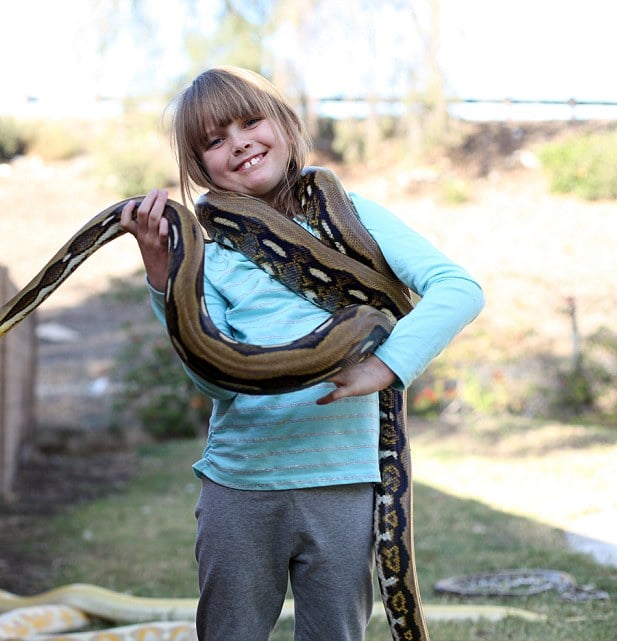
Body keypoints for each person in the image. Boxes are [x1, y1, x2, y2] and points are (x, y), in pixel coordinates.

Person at [118, 66, 484, 641]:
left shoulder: (353, 213)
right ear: (198, 168)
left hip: (344, 481)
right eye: (214, 140)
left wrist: (385, 367)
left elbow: (458, 289)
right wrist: (164, 279)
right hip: (239, 487)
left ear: (285, 125)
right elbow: (214, 382)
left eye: (250, 121)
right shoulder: (207, 255)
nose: (237, 142)